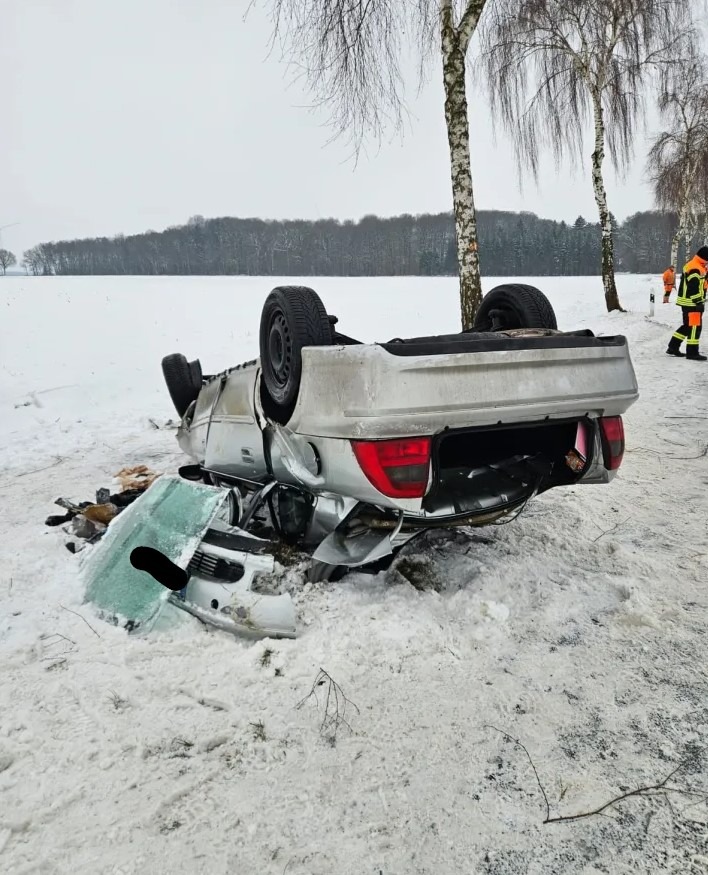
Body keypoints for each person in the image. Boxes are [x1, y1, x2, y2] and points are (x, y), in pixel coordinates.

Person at [666, 246, 708, 361]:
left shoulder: (696, 265)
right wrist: (698, 301)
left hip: (688, 302)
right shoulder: (695, 268)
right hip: (692, 303)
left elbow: (702, 283)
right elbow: (693, 287)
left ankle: (673, 347)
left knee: (687, 326)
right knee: (695, 327)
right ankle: (692, 353)